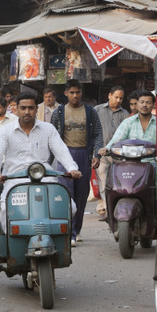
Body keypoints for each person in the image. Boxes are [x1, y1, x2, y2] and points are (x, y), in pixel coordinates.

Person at [0, 92, 81, 229]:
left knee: (70, 207)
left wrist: (72, 169)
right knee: (6, 212)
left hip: (45, 178)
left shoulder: (48, 129)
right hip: (15, 179)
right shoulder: (5, 131)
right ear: (16, 109)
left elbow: (61, 151)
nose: (27, 112)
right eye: (23, 108)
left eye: (31, 108)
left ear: (36, 109)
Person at [48, 79, 101, 244]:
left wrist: (97, 155)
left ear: (81, 93)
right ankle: (68, 232)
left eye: (78, 92)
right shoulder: (59, 112)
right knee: (66, 195)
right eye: (72, 92)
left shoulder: (90, 112)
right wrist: (47, 162)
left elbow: (98, 134)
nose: (75, 95)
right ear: (66, 93)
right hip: (65, 156)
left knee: (81, 196)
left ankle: (76, 230)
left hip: (84, 155)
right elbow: (52, 136)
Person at [93, 86, 128, 221]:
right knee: (103, 183)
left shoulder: (124, 114)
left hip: (118, 155)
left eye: (121, 98)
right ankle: (108, 210)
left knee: (117, 183)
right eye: (116, 97)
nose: (118, 100)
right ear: (109, 95)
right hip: (101, 153)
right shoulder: (98, 110)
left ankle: (114, 209)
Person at [101, 90, 157, 154]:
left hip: (151, 162)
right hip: (129, 161)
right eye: (142, 102)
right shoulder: (128, 122)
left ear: (154, 105)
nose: (144, 105)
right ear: (137, 104)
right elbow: (117, 139)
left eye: (148, 102)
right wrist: (107, 148)